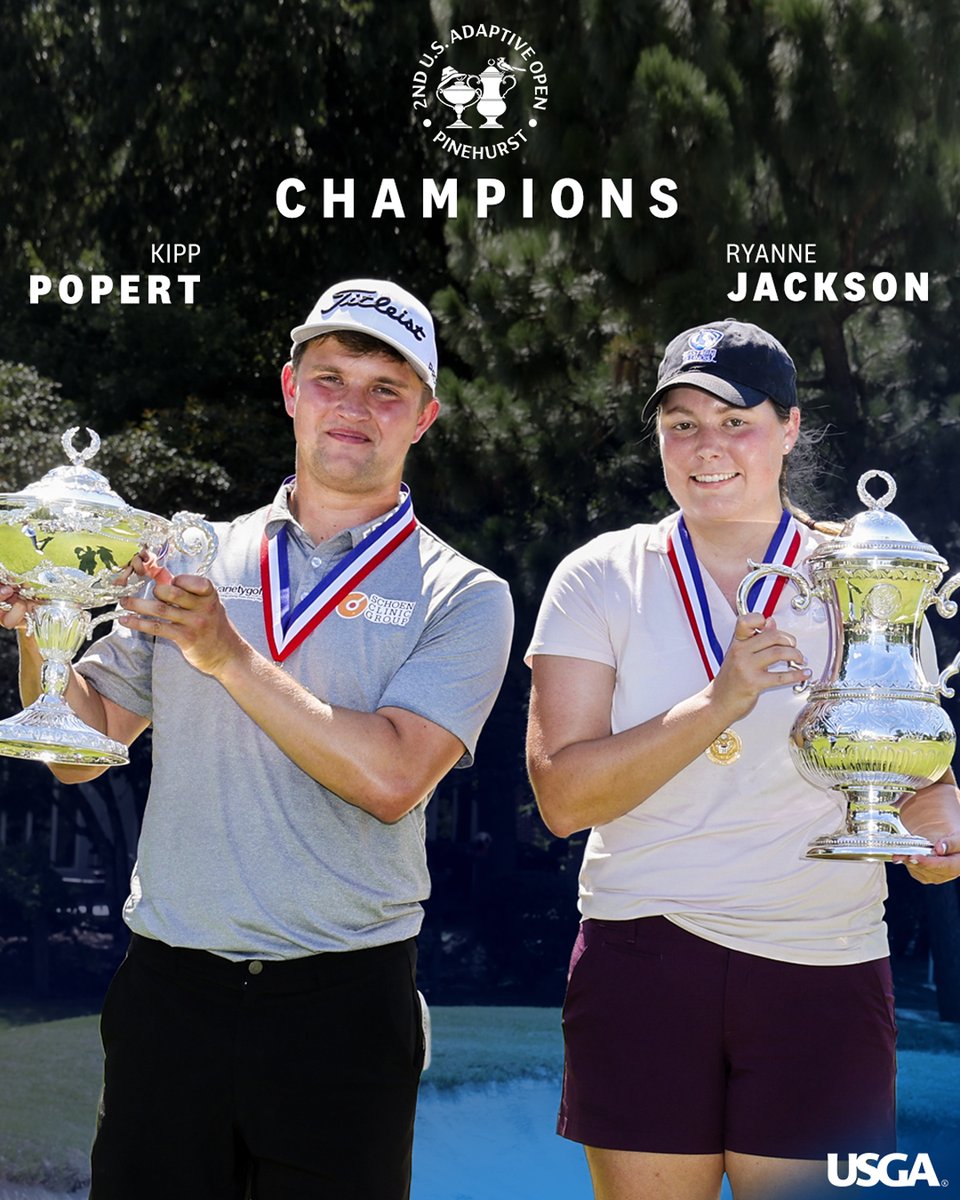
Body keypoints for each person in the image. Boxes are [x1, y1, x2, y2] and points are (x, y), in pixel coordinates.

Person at [1, 277, 514, 1200]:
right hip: (169, 996)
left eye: (385, 389)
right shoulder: (190, 554)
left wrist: (226, 654)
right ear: (289, 390)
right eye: (330, 377)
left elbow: (394, 778)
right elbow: (82, 749)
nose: (352, 406)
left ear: (424, 418)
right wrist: (42, 630)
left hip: (343, 1005)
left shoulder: (464, 593)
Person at [524, 319, 960, 1200]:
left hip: (827, 963)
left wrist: (939, 827)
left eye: (737, 420)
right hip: (643, 954)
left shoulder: (863, 571)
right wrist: (718, 702)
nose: (706, 447)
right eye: (681, 422)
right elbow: (564, 799)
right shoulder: (600, 575)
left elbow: (920, 775)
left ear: (790, 429)